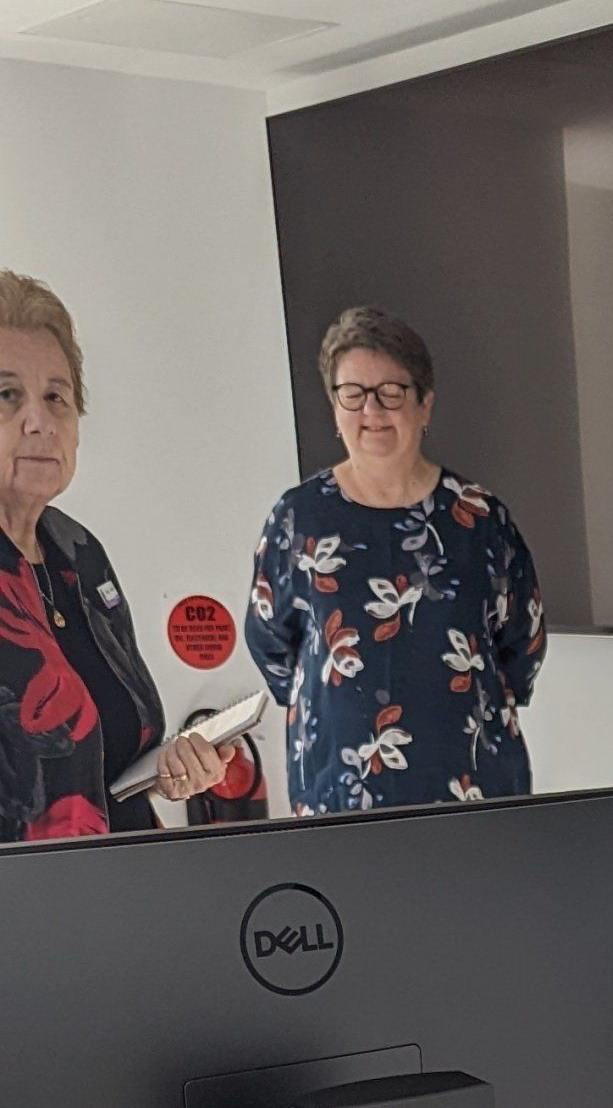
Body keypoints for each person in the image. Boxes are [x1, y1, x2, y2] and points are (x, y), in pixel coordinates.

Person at [246, 305, 545, 816]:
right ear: (334, 406)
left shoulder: (479, 519)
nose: (372, 411)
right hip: (338, 792)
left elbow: (524, 641)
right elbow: (270, 640)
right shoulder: (298, 518)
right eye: (353, 393)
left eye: (392, 392)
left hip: (473, 788)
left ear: (424, 405)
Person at [0, 271, 249, 846]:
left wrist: (170, 769)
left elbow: (107, 761)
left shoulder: (79, 552)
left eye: (56, 397)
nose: (38, 420)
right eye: (7, 394)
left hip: (125, 887)